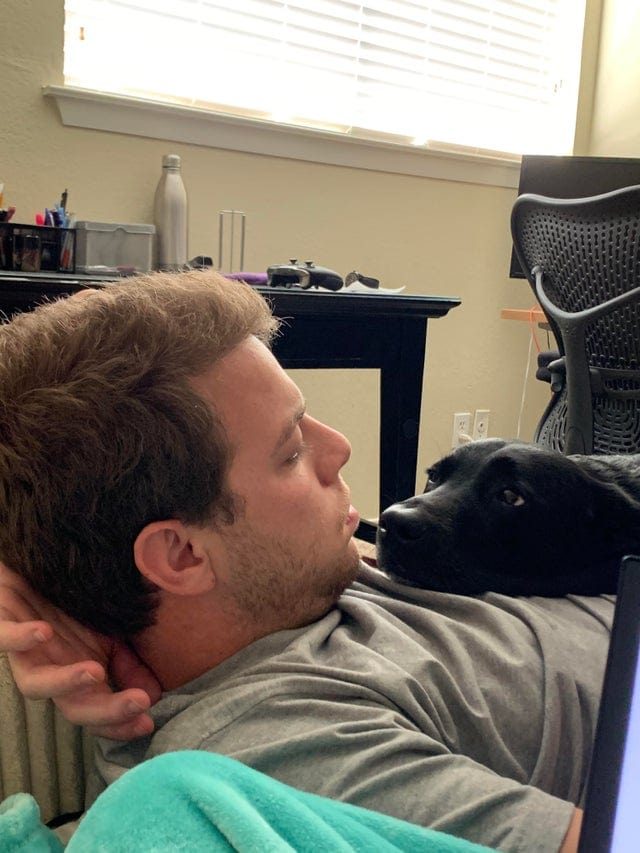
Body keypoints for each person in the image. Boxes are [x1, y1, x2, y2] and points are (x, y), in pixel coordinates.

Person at [0, 270, 609, 852]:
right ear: (181, 555)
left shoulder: (294, 585)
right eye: (291, 451)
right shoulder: (287, 748)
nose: (339, 448)